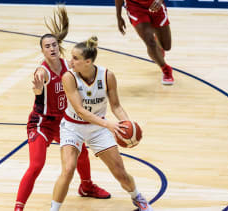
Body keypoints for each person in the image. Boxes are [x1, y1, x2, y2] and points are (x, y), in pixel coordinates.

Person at [14, 7, 110, 211]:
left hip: (64, 123)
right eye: (47, 46)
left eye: (54, 45)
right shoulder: (43, 71)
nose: (51, 48)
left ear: (59, 46)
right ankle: (18, 207)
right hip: (42, 122)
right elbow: (39, 87)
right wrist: (38, 88)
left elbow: (85, 70)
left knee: (81, 154)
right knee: (37, 165)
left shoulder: (69, 66)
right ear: (42, 51)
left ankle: (86, 187)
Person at [50, 36, 153, 211]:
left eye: (75, 58)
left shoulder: (107, 76)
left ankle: (137, 197)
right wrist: (109, 125)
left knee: (119, 171)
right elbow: (81, 111)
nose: (70, 61)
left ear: (88, 61)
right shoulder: (69, 77)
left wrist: (125, 125)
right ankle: (53, 209)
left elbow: (116, 106)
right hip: (72, 127)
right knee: (68, 169)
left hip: (97, 128)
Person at [115, 0, 174, 85]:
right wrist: (119, 16)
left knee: (166, 46)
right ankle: (166, 69)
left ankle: (157, 44)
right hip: (135, 7)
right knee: (150, 42)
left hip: (155, 3)